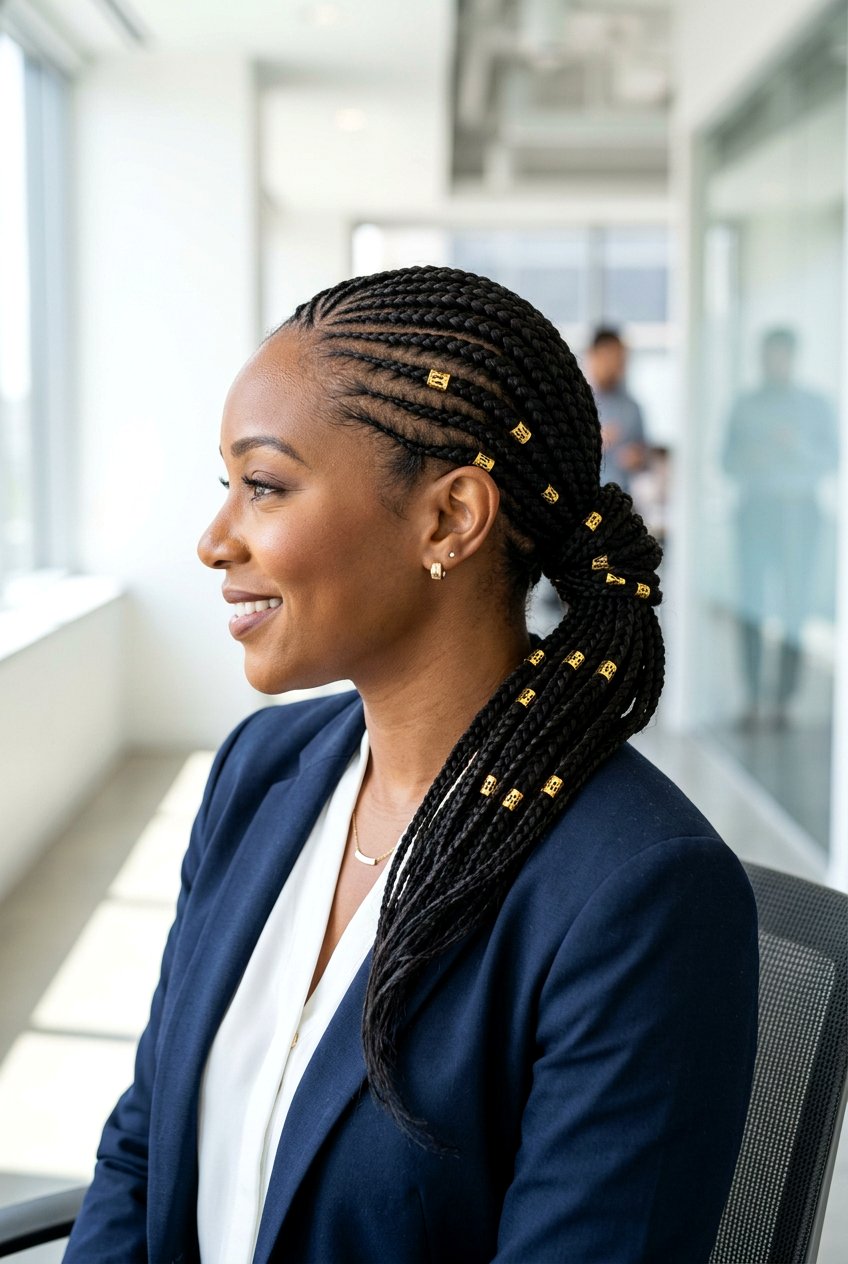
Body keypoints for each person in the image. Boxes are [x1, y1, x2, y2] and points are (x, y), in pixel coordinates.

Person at [64, 266, 758, 1264]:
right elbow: (143, 1145)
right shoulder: (260, 773)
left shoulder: (636, 894)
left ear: (447, 519)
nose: (215, 540)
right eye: (228, 488)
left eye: (263, 485)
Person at [722, 326, 839, 729]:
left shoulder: (814, 406)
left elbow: (832, 461)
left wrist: (796, 447)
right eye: (770, 355)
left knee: (794, 607)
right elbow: (727, 462)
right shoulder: (746, 406)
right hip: (757, 512)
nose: (777, 363)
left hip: (800, 514)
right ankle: (753, 697)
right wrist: (754, 455)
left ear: (793, 357)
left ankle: (784, 702)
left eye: (783, 355)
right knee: (750, 606)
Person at [584, 326, 649, 494]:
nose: (615, 366)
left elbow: (644, 455)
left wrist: (637, 458)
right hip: (583, 497)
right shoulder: (577, 401)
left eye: (620, 359)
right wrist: (595, 441)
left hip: (621, 498)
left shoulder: (632, 407)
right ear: (594, 356)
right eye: (609, 357)